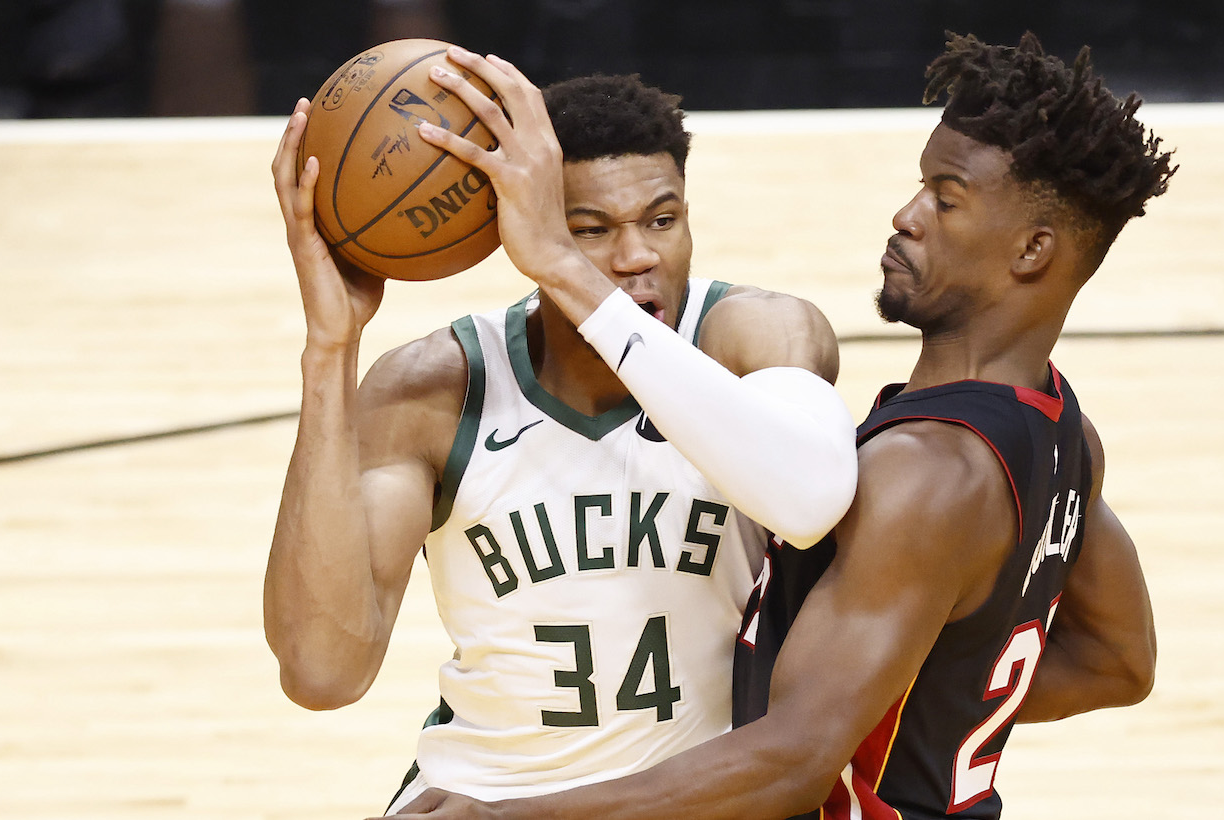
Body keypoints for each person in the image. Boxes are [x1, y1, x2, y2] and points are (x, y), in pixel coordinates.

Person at [381, 31, 1171, 820]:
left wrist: (507, 817)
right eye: (920, 185)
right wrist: (923, 692)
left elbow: (789, 763)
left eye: (946, 197)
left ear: (1033, 250)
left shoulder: (926, 472)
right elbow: (1114, 662)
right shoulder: (1062, 425)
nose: (906, 215)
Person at [263, 52, 859, 812]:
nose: (638, 255)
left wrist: (562, 263)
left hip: (694, 800)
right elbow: (322, 672)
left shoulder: (752, 336)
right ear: (520, 226)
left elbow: (807, 498)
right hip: (483, 795)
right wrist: (330, 347)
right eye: (589, 230)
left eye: (663, 220)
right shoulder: (436, 388)